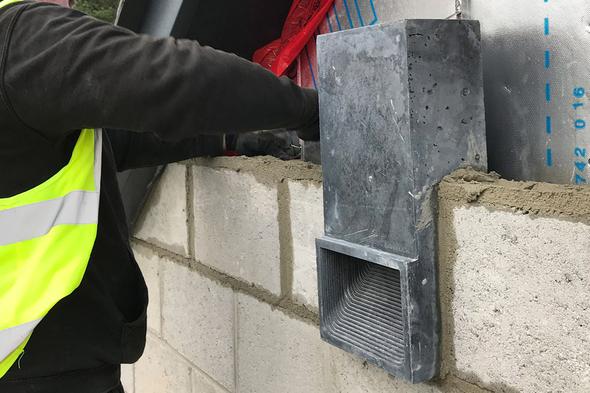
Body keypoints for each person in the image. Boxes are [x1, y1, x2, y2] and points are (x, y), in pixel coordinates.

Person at [0, 0, 319, 392]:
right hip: (40, 370)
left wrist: (226, 137)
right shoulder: (20, 38)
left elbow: (100, 143)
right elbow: (174, 79)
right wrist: (310, 110)